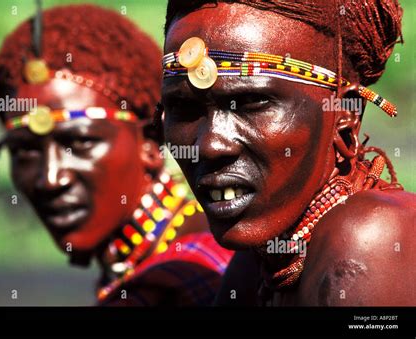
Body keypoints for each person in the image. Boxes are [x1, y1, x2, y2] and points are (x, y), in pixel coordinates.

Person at [160, 0, 415, 306]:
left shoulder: (369, 238)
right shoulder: (259, 261)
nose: (210, 145)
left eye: (252, 102)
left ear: (345, 115)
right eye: (183, 109)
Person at [0, 4, 232, 306]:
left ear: (150, 141)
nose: (50, 178)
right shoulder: (165, 259)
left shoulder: (181, 282)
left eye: (79, 143)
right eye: (24, 150)